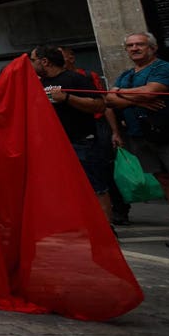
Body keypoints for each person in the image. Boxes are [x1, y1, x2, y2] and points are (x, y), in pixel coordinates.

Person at [105, 32, 169, 248]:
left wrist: (122, 94)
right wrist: (138, 99)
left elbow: (150, 92)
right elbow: (109, 99)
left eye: (140, 44)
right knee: (165, 180)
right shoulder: (126, 75)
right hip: (141, 135)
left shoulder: (164, 68)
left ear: (152, 48)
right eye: (130, 45)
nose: (134, 48)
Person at [32, 46, 115, 220]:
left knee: (96, 186)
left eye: (33, 60)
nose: (31, 64)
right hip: (55, 144)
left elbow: (99, 105)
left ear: (44, 61)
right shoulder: (38, 84)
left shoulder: (76, 79)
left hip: (82, 141)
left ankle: (107, 227)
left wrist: (68, 98)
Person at [63, 46, 129, 225]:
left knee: (104, 167)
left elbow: (104, 102)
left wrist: (114, 131)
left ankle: (119, 208)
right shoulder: (51, 81)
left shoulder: (86, 75)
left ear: (71, 57)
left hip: (96, 125)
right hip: (74, 131)